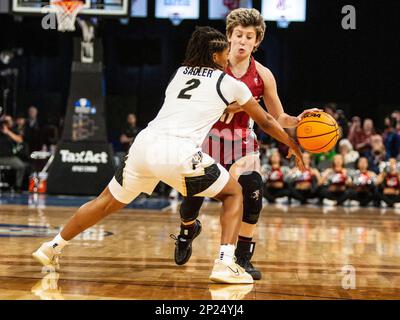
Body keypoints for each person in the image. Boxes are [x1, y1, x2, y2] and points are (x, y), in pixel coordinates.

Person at [32, 26, 304, 284]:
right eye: (223, 52)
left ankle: (53, 245)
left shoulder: (181, 73)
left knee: (104, 203)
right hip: (178, 152)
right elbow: (267, 121)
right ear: (214, 56)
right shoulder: (229, 83)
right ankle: (224, 263)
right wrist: (291, 143)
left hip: (143, 146)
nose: (227, 56)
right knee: (234, 194)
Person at [171, 8, 318, 281]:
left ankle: (241, 258)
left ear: (256, 42)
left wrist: (298, 121)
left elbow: (276, 117)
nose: (242, 41)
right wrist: (245, 106)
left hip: (241, 142)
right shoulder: (212, 66)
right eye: (238, 35)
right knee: (192, 200)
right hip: (208, 138)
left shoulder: (263, 75)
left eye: (248, 37)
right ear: (228, 37)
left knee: (252, 192)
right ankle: (187, 230)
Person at [0, 115, 26, 192]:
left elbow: (20, 140)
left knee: (21, 166)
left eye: (8, 121)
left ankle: (17, 186)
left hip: (9, 157)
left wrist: (7, 132)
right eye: (5, 121)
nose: (6, 123)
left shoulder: (13, 130)